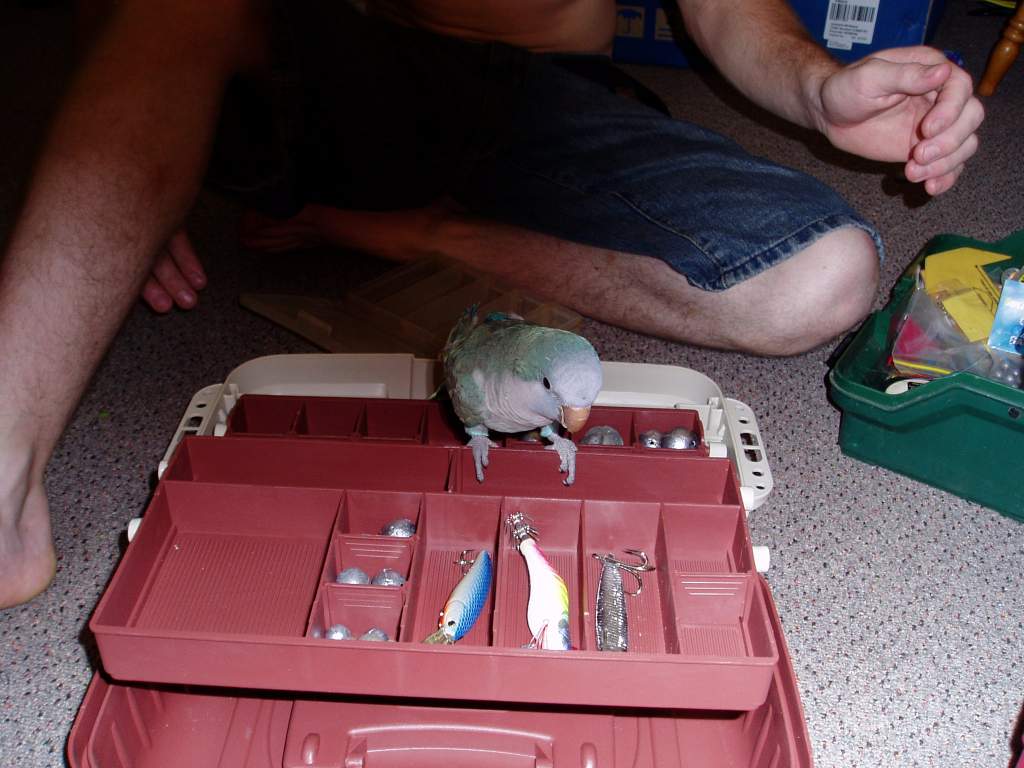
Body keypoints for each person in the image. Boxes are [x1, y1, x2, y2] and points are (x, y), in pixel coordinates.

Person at [0, 0, 983, 608]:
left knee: (830, 275)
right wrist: (121, 151)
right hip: (347, 80)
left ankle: (415, 229)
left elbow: (728, 9)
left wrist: (820, 91)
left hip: (548, 102)